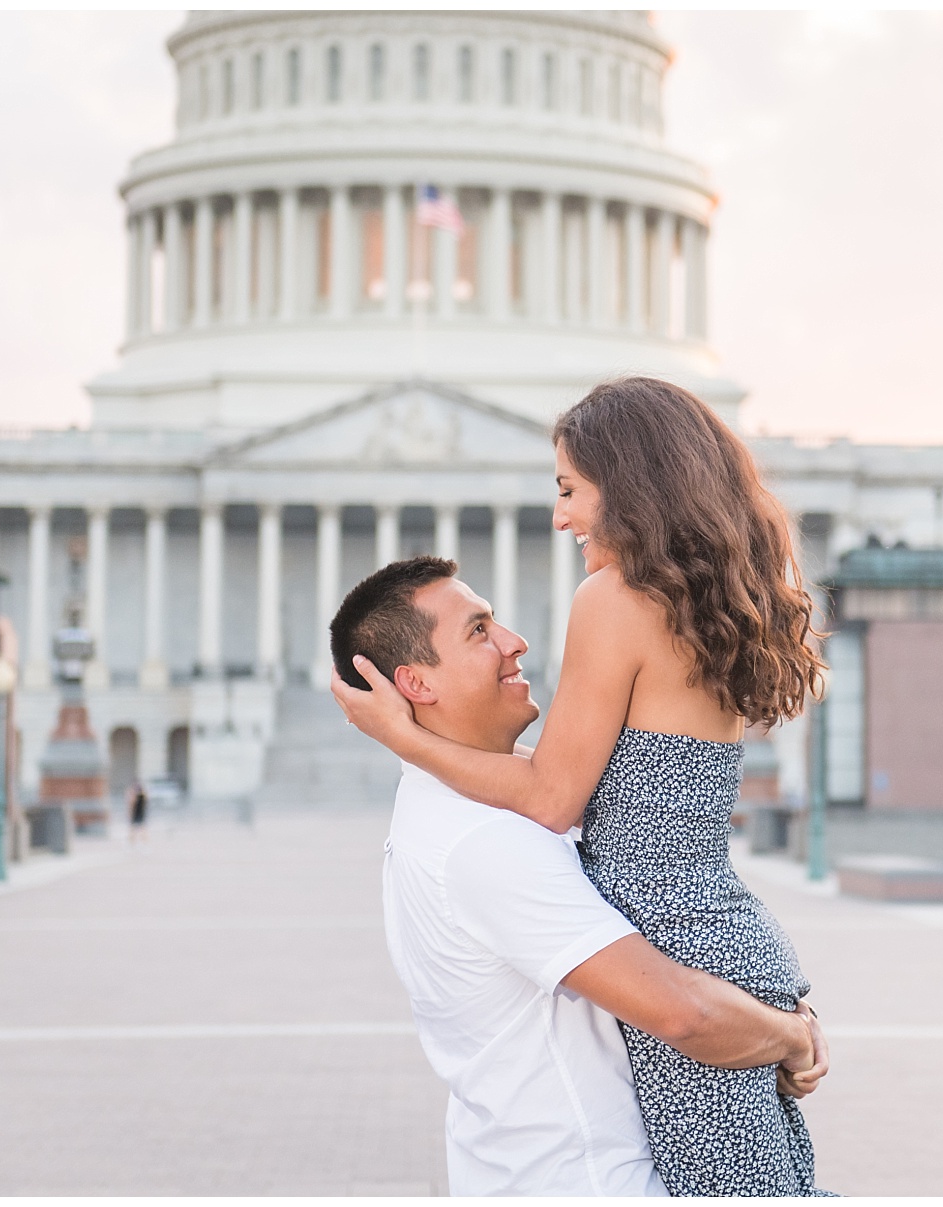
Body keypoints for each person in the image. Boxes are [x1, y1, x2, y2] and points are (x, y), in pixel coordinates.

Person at [334, 376, 830, 1196]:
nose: (559, 517)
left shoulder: (612, 599)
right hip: (720, 933)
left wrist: (400, 736)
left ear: (629, 482)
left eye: (569, 489)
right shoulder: (694, 603)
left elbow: (550, 797)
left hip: (680, 949)